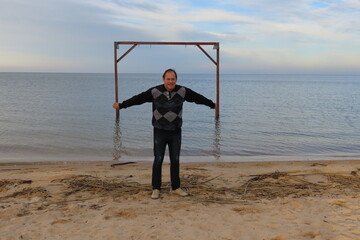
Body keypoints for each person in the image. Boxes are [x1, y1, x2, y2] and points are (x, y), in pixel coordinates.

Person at [113, 69, 216, 199]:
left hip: (175, 131)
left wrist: (211, 104)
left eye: (173, 79)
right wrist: (122, 105)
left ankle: (176, 187)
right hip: (159, 131)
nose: (170, 81)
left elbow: (197, 98)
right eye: (168, 79)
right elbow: (138, 99)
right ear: (163, 79)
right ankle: (156, 188)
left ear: (176, 80)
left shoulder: (182, 91)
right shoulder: (155, 91)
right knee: (158, 159)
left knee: (175, 159)